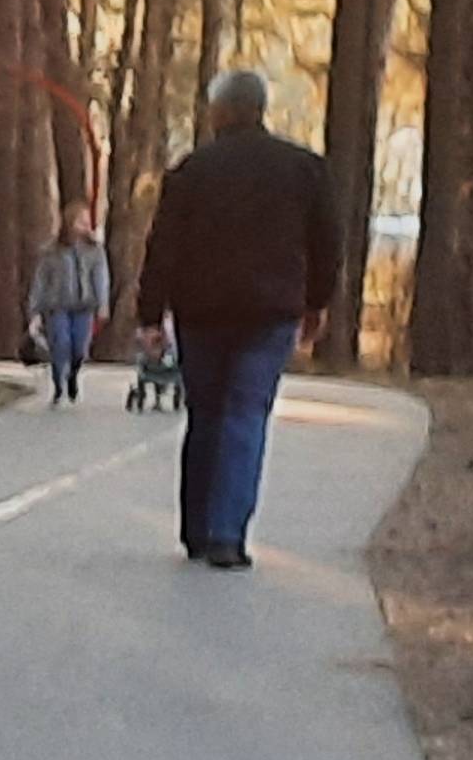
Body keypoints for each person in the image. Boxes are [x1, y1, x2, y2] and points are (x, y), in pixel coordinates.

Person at [122, 68, 344, 571]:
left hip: (202, 312)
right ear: (260, 109)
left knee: (207, 415)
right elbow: (328, 244)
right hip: (271, 312)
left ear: (219, 112)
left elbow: (164, 248)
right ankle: (228, 535)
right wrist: (316, 302)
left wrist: (151, 315)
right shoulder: (303, 169)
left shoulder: (192, 171)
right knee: (247, 414)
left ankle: (197, 530)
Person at [29, 210, 112, 404]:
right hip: (57, 306)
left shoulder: (95, 250)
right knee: (61, 343)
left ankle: (73, 373)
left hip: (84, 306)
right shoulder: (51, 251)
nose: (84, 225)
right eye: (80, 221)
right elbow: (40, 281)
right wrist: (35, 311)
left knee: (79, 347)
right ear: (69, 223)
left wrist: (103, 304)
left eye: (86, 222)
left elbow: (101, 279)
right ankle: (58, 382)